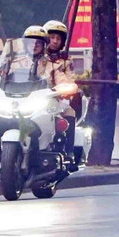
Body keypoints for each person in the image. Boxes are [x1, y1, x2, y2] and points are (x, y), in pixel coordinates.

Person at [41, 20, 79, 164]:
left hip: (56, 98)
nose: (55, 41)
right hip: (34, 96)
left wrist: (65, 90)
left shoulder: (65, 60)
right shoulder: (36, 56)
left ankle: (68, 152)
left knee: (69, 113)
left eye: (58, 38)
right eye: (52, 37)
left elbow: (70, 80)